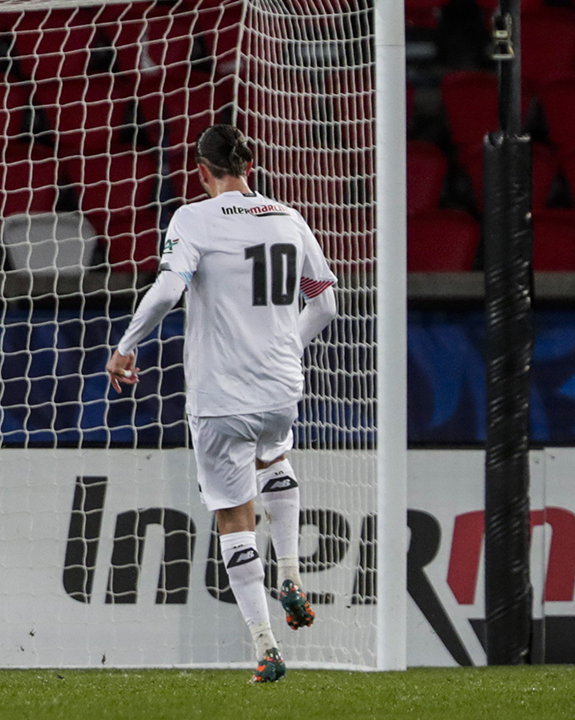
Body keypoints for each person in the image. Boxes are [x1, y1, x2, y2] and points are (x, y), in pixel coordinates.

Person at [106, 124, 338, 683]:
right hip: (281, 387)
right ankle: (290, 573)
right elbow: (325, 304)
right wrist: (285, 347)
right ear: (250, 168)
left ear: (202, 171)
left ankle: (265, 647)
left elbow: (167, 290)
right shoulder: (288, 216)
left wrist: (125, 346)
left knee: (234, 516)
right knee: (274, 457)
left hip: (220, 396)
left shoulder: (194, 217)